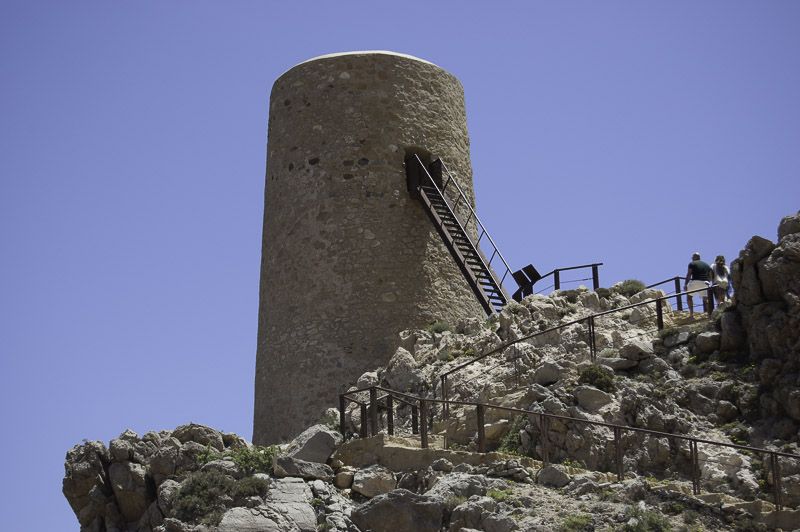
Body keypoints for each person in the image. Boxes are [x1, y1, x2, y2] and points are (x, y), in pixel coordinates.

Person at [684, 252, 712, 317]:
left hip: (695, 281)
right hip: (705, 282)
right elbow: (710, 275)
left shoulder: (692, 263)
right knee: (705, 299)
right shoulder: (707, 265)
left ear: (694, 257)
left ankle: (691, 314)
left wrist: (685, 284)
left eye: (692, 258)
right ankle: (710, 313)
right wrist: (708, 281)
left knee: (689, 297)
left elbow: (689, 274)